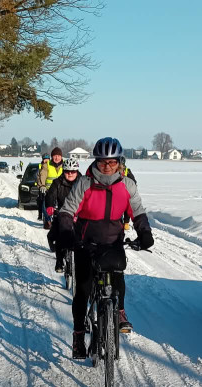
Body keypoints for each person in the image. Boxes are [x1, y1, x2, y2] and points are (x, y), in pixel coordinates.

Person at [54, 137, 154, 359]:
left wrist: (145, 233)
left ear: (119, 162)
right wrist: (67, 233)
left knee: (118, 275)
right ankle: (78, 335)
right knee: (83, 290)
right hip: (85, 242)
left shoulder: (127, 184)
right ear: (96, 162)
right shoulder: (85, 183)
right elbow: (68, 210)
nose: (107, 167)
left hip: (112, 241)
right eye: (102, 162)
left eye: (112, 162)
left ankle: (119, 311)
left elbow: (137, 211)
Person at [45, 158, 82, 273]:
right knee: (59, 233)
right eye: (67, 171)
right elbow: (50, 195)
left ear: (77, 171)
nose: (70, 174)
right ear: (63, 171)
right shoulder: (57, 182)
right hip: (62, 212)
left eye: (73, 171)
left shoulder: (83, 182)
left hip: (80, 212)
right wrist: (50, 206)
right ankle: (59, 261)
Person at [36, 148, 64, 226]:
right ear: (52, 157)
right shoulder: (47, 165)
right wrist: (42, 185)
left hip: (62, 190)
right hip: (49, 190)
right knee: (45, 204)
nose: (57, 158)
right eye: (55, 156)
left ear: (61, 157)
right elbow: (42, 175)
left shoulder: (65, 164)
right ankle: (47, 220)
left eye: (58, 156)